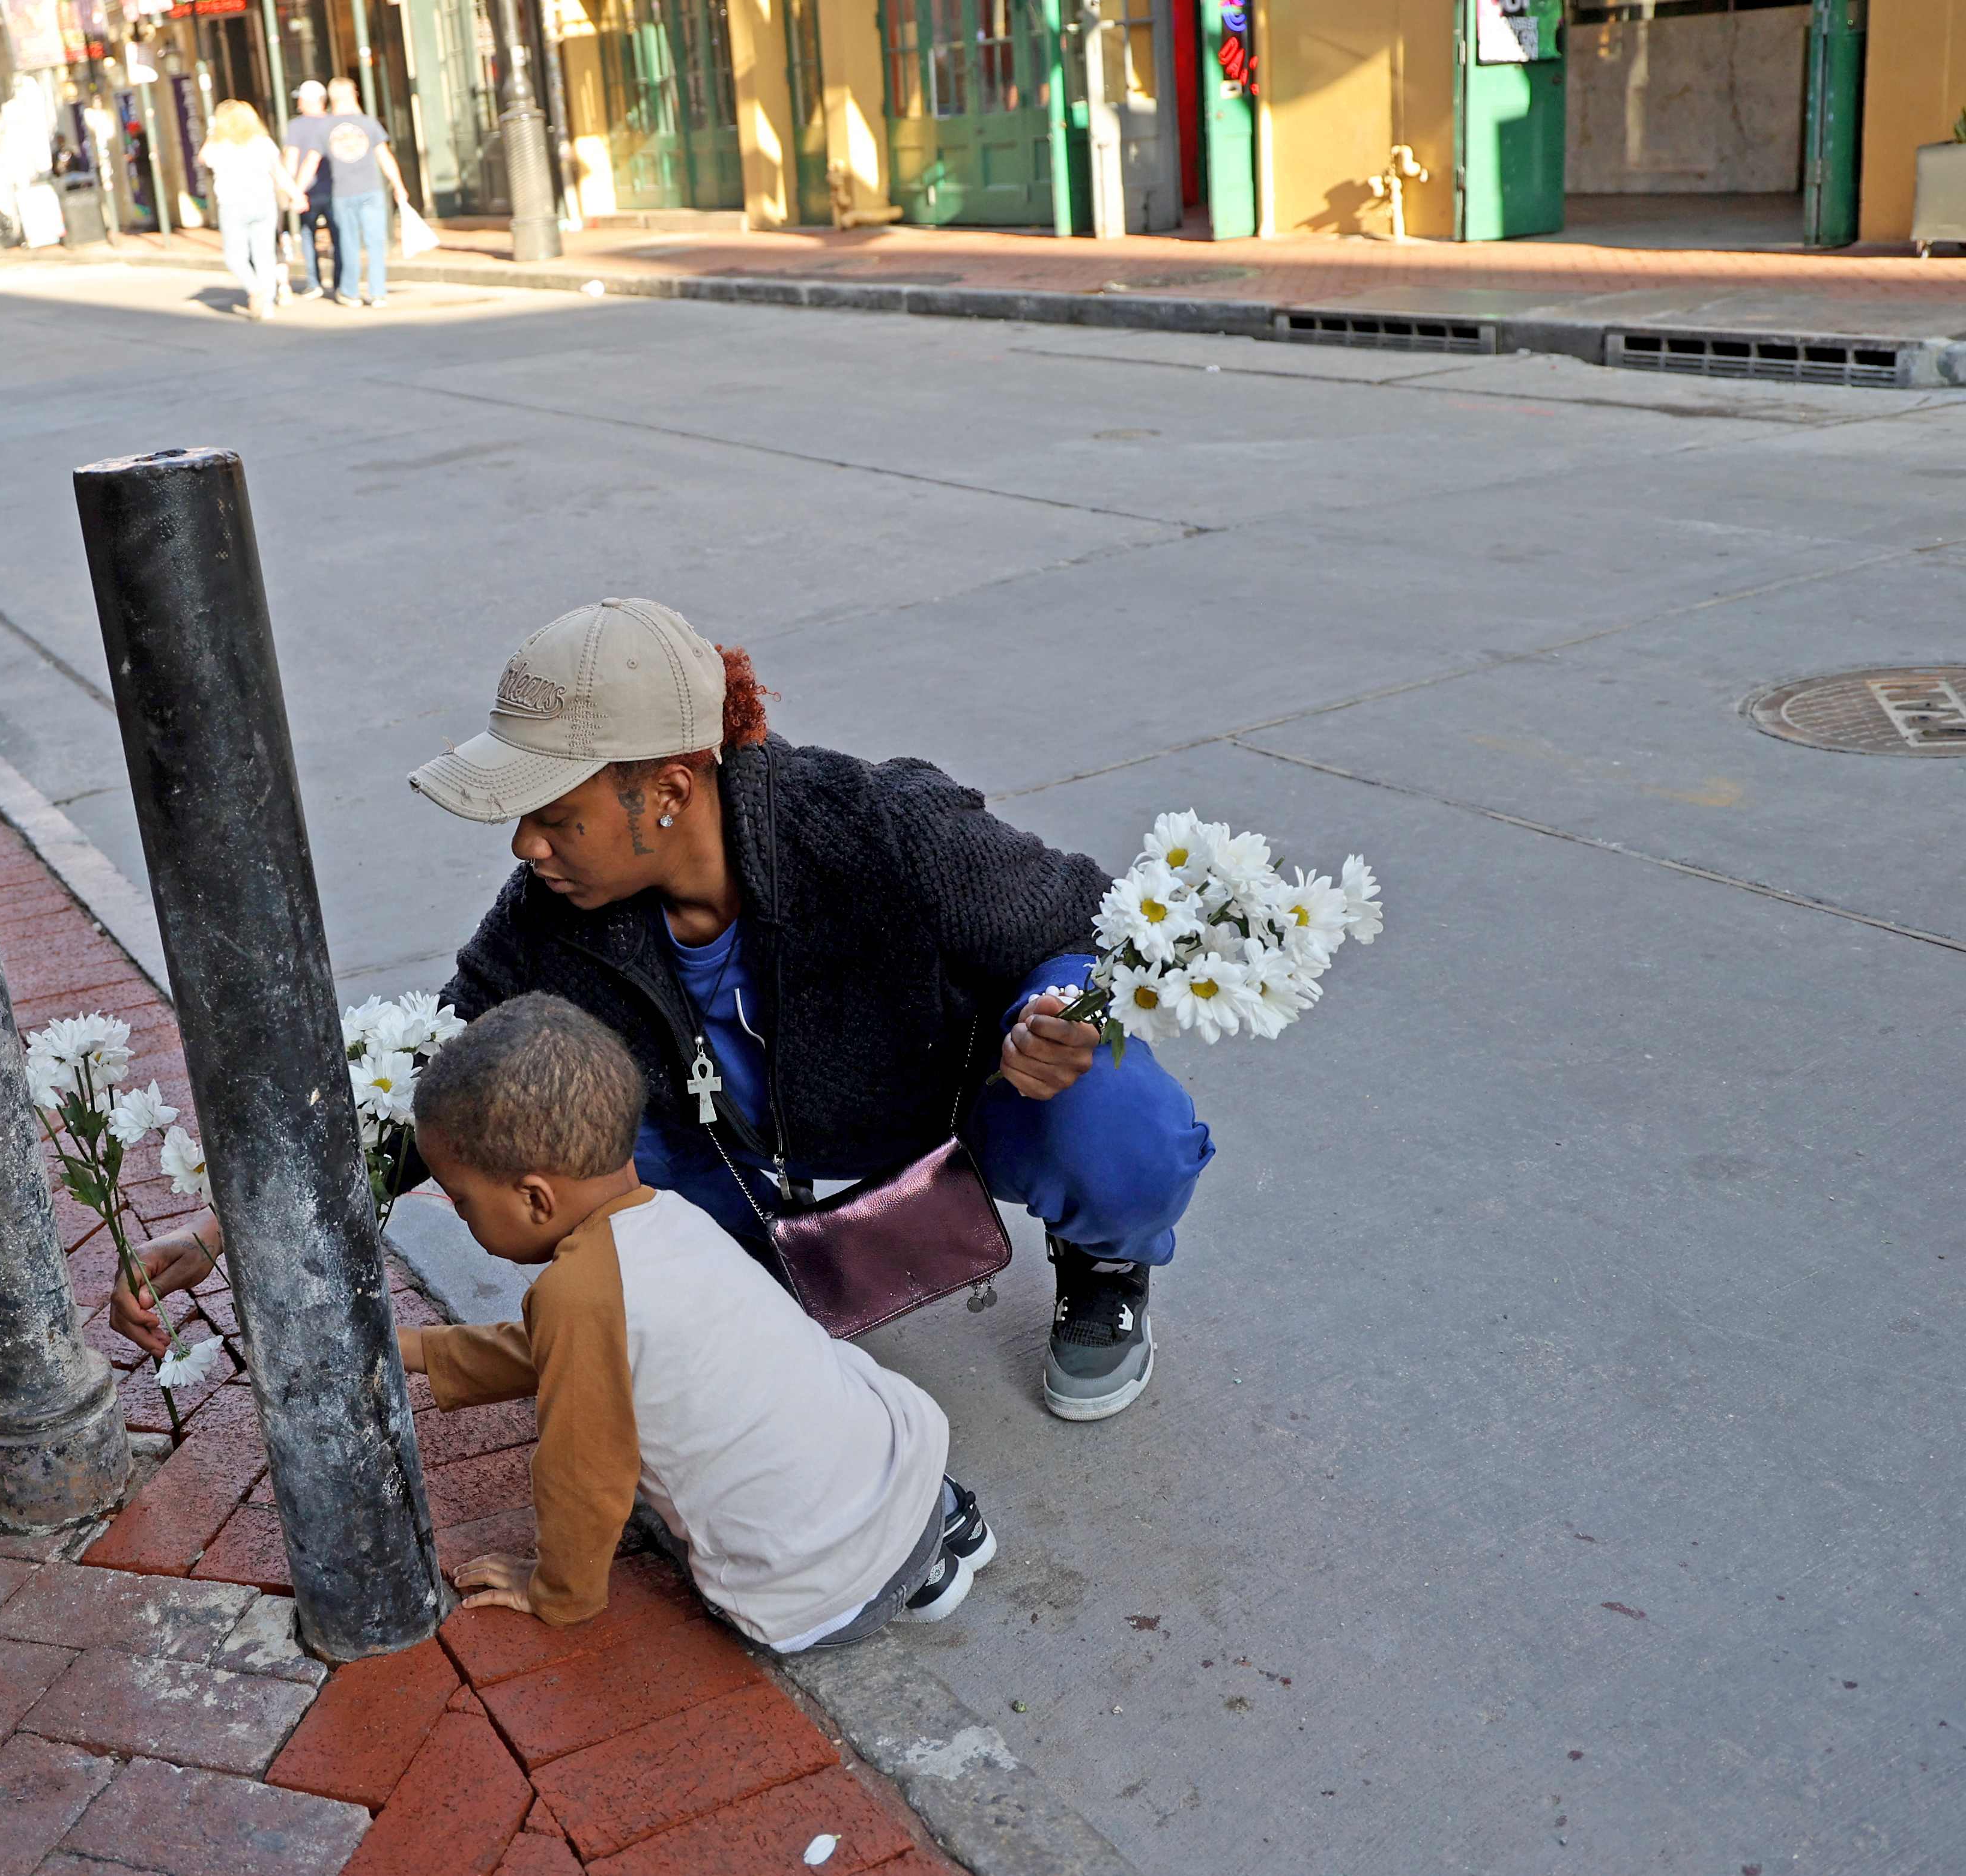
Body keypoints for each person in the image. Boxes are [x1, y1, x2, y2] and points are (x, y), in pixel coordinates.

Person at [116, 598, 1215, 1426]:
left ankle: (1105, 1258)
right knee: (540, 1130)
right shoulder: (549, 920)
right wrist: (229, 1226)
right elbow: (436, 1076)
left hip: (946, 1100)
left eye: (553, 814)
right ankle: (730, 1302)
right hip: (740, 1161)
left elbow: (1083, 918)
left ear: (670, 789)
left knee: (1111, 1101)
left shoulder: (874, 822)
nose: (524, 846)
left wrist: (1062, 1011)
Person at [397, 993, 993, 1645]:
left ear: (536, 1198)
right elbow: (577, 1349)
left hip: (821, 1599)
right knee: (820, 1371)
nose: (462, 1217)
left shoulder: (577, 1294)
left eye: (462, 1204)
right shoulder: (669, 1214)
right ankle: (940, 1536)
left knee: (664, 1523)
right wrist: (425, 1351)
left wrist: (556, 1592)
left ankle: (898, 1578)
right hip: (910, 1477)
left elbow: (584, 1477)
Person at [291, 77, 408, 308]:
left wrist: (297, 192)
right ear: (354, 94)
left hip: (343, 193)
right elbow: (385, 156)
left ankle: (350, 292)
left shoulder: (325, 128)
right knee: (376, 242)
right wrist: (399, 185)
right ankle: (377, 293)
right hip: (371, 190)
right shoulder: (368, 123)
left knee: (349, 243)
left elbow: (310, 164)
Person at [196, 99, 292, 319]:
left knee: (235, 256)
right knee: (265, 255)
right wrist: (295, 194)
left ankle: (254, 288)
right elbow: (279, 172)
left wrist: (213, 133)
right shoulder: (263, 142)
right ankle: (267, 303)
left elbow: (202, 158)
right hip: (264, 201)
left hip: (233, 203)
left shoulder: (218, 144)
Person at [280, 79, 335, 298]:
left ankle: (314, 282)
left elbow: (291, 158)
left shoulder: (296, 126)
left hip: (306, 190)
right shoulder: (333, 122)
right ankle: (340, 282)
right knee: (337, 234)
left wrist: (291, 189)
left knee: (307, 234)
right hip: (333, 187)